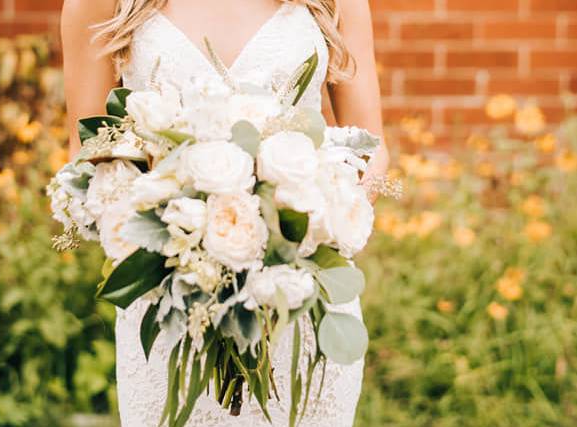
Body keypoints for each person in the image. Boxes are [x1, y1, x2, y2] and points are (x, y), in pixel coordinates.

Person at [61, 1, 388, 425]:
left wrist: (315, 218)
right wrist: (184, 237)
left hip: (301, 300)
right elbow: (86, 155)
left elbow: (373, 151)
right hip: (172, 312)